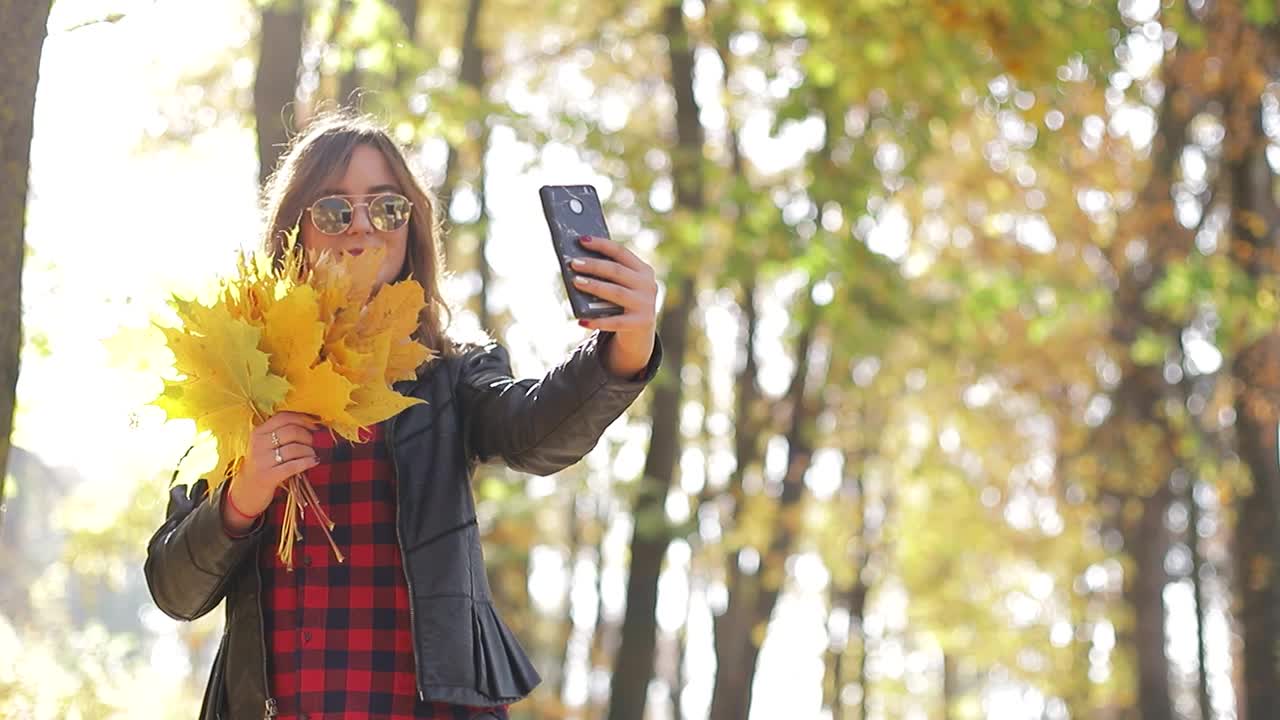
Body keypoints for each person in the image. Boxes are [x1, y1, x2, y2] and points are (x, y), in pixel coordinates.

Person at [143, 111, 662, 720]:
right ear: (294, 234)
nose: (362, 228)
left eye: (387, 208)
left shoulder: (450, 375)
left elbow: (535, 431)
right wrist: (242, 498)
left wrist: (625, 349)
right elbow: (175, 590)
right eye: (335, 211)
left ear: (410, 228)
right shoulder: (241, 377)